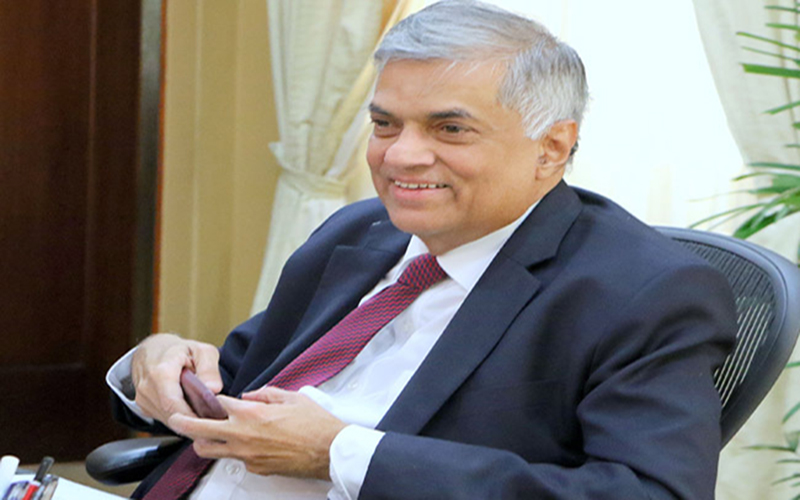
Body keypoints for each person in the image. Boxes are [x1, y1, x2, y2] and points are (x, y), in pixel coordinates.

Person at [107, 1, 737, 498]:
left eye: (450, 128)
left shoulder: (645, 293)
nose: (400, 155)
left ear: (551, 147)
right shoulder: (359, 233)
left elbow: (649, 493)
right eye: (385, 124)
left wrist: (338, 453)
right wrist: (158, 364)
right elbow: (236, 384)